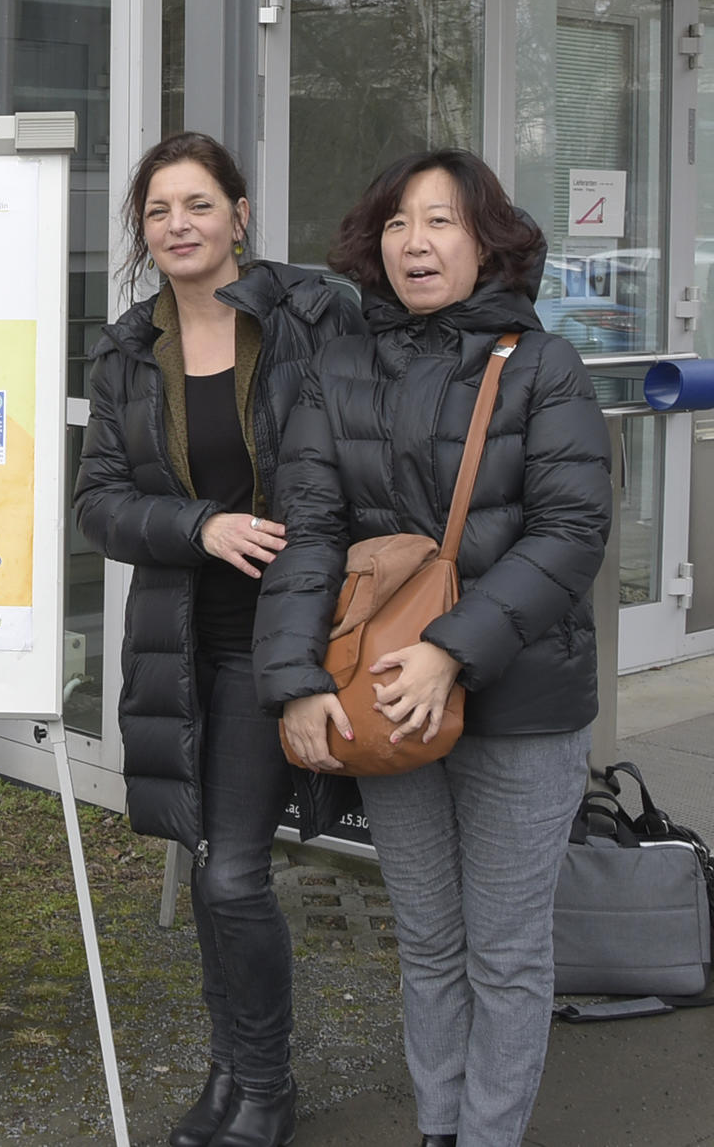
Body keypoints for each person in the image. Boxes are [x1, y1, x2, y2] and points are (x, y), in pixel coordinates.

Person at [257, 149, 611, 1147]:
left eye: (440, 221)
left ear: (487, 242)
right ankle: (436, 1126)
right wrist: (292, 681)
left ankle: (483, 1137)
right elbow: (309, 533)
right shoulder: (336, 368)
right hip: (378, 696)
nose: (414, 241)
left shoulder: (540, 366)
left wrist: (448, 650)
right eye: (397, 223)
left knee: (500, 948)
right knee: (426, 937)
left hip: (522, 702)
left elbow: (569, 533)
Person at [73, 131, 363, 1147]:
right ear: (140, 230)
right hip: (188, 646)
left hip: (298, 633)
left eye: (198, 204)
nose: (177, 226)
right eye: (158, 211)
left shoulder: (313, 315)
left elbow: (363, 457)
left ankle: (263, 1082)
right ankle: (239, 1073)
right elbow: (98, 505)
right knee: (214, 863)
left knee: (231, 871)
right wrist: (196, 525)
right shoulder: (121, 349)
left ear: (239, 214)